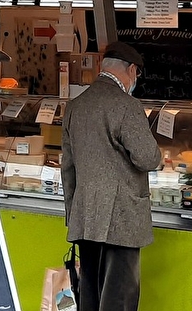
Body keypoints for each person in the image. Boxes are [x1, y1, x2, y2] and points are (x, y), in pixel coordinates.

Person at [61, 42, 161, 311]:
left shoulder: (75, 106)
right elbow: (148, 158)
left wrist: (74, 215)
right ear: (131, 70)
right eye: (136, 75)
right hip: (122, 218)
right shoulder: (126, 106)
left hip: (86, 218)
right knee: (119, 298)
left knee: (89, 297)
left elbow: (67, 167)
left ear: (101, 68)